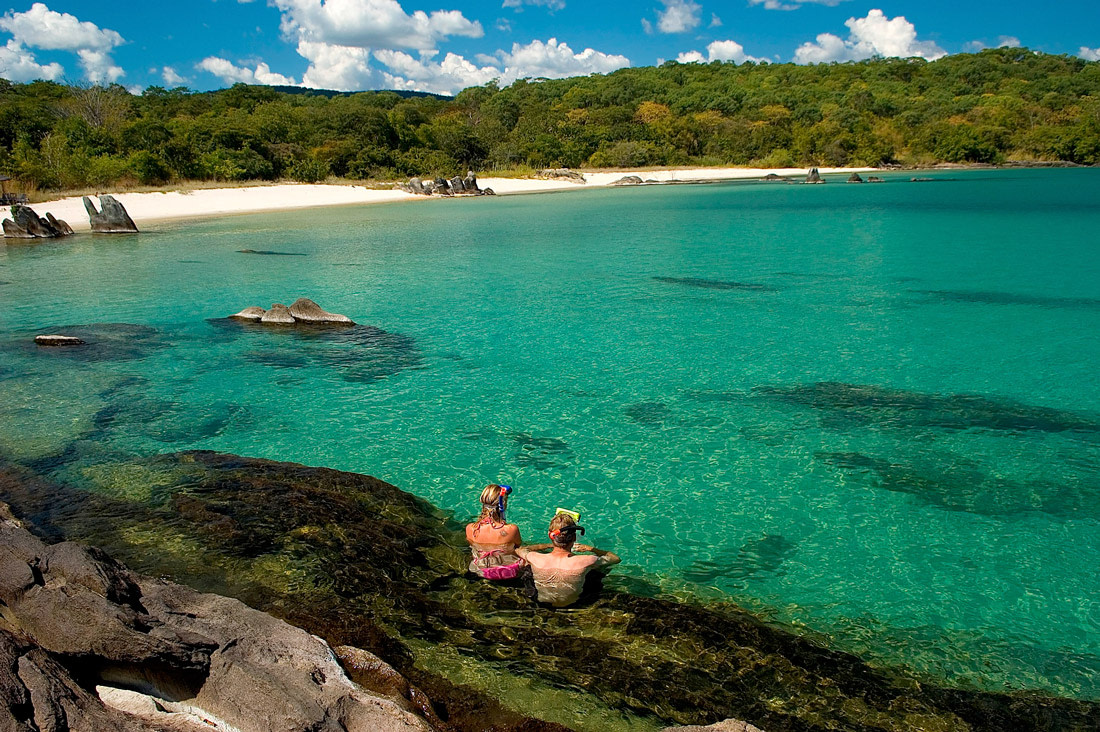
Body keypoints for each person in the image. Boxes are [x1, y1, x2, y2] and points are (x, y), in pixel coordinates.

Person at [516, 510, 620, 607]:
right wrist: (591, 549)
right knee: (600, 569)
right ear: (574, 538)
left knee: (527, 566)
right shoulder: (587, 560)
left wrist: (548, 546)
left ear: (550, 535)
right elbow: (615, 558)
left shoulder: (535, 557)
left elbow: (520, 549)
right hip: (576, 602)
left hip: (542, 602)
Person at [465, 484, 525, 580]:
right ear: (503, 504)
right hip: (510, 571)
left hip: (480, 571)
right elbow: (518, 547)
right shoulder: (511, 529)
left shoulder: (470, 529)